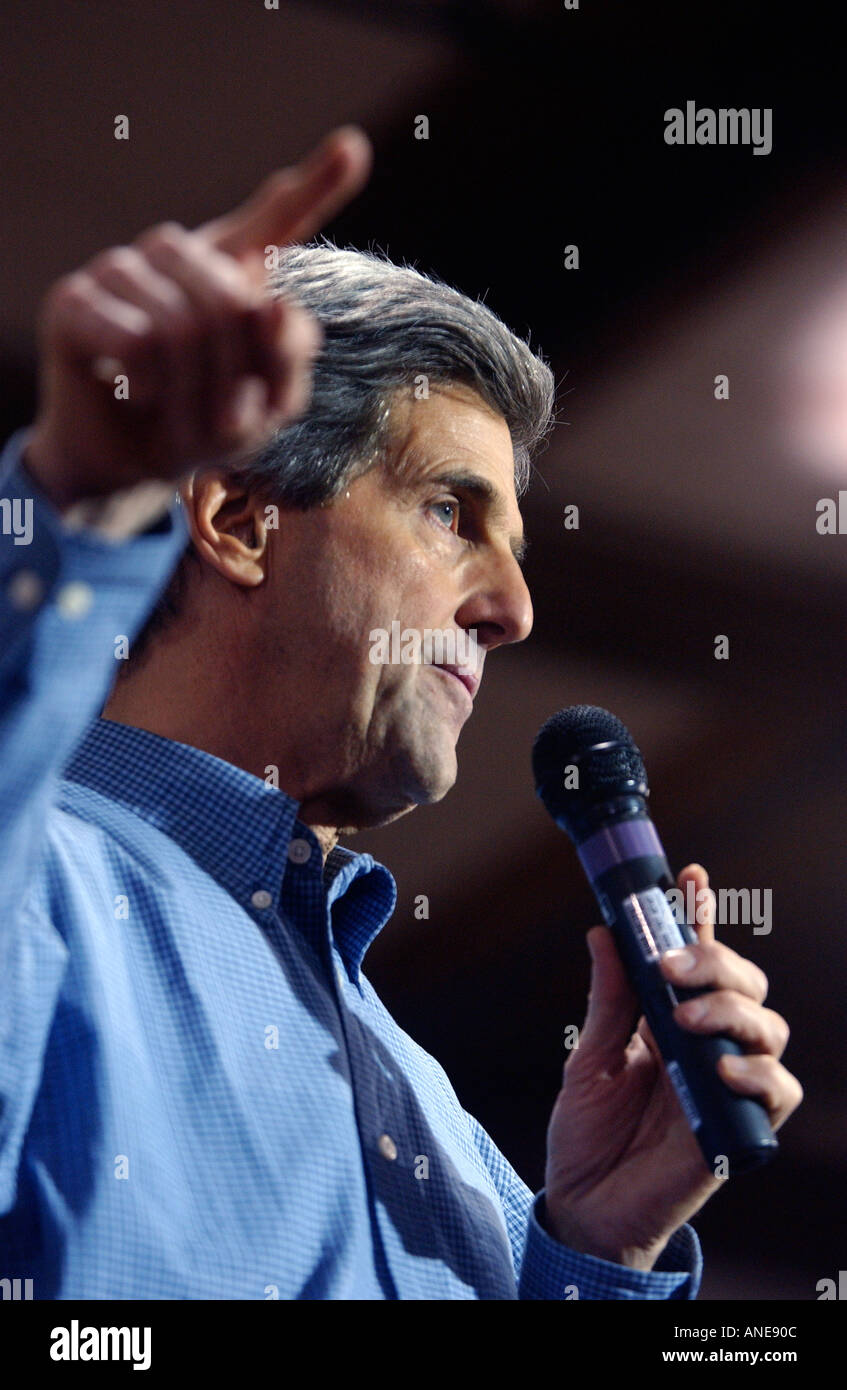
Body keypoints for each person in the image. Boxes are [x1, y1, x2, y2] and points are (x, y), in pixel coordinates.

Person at [0, 125, 801, 1300]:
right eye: (448, 512)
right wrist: (82, 492)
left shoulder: (442, 1126)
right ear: (237, 520)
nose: (515, 609)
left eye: (514, 545)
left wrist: (590, 1252)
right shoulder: (42, 892)